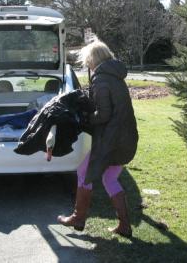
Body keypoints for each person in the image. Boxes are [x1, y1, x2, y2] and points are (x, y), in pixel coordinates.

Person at [55, 40, 138, 238]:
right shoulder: (115, 76)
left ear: (93, 59)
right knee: (109, 178)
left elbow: (103, 115)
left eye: (87, 60)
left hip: (111, 141)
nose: (87, 64)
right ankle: (125, 226)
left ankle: (78, 217)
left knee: (83, 171)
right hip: (125, 139)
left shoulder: (101, 80)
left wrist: (83, 118)